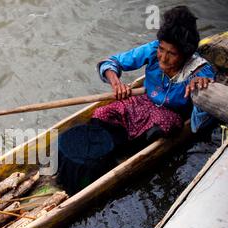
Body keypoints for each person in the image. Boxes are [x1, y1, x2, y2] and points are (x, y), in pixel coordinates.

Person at [92, 6, 215, 143]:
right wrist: (116, 82)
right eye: (161, 49)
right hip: (143, 101)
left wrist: (202, 92)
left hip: (170, 115)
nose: (163, 58)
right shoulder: (153, 49)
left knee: (158, 129)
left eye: (172, 54)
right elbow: (111, 62)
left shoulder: (200, 72)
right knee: (101, 114)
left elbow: (200, 124)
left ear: (186, 55)